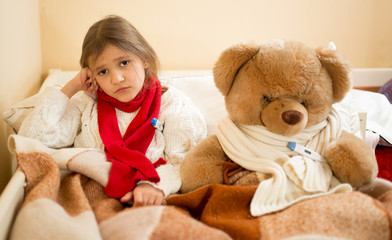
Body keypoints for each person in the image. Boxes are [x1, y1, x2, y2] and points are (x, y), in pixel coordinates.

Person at [19, 15, 207, 207]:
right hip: (85, 196)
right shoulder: (85, 103)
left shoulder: (172, 104)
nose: (116, 79)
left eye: (124, 63)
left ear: (144, 59)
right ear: (91, 75)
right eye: (102, 71)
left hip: (149, 199)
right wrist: (71, 87)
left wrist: (152, 186)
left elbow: (184, 162)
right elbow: (31, 141)